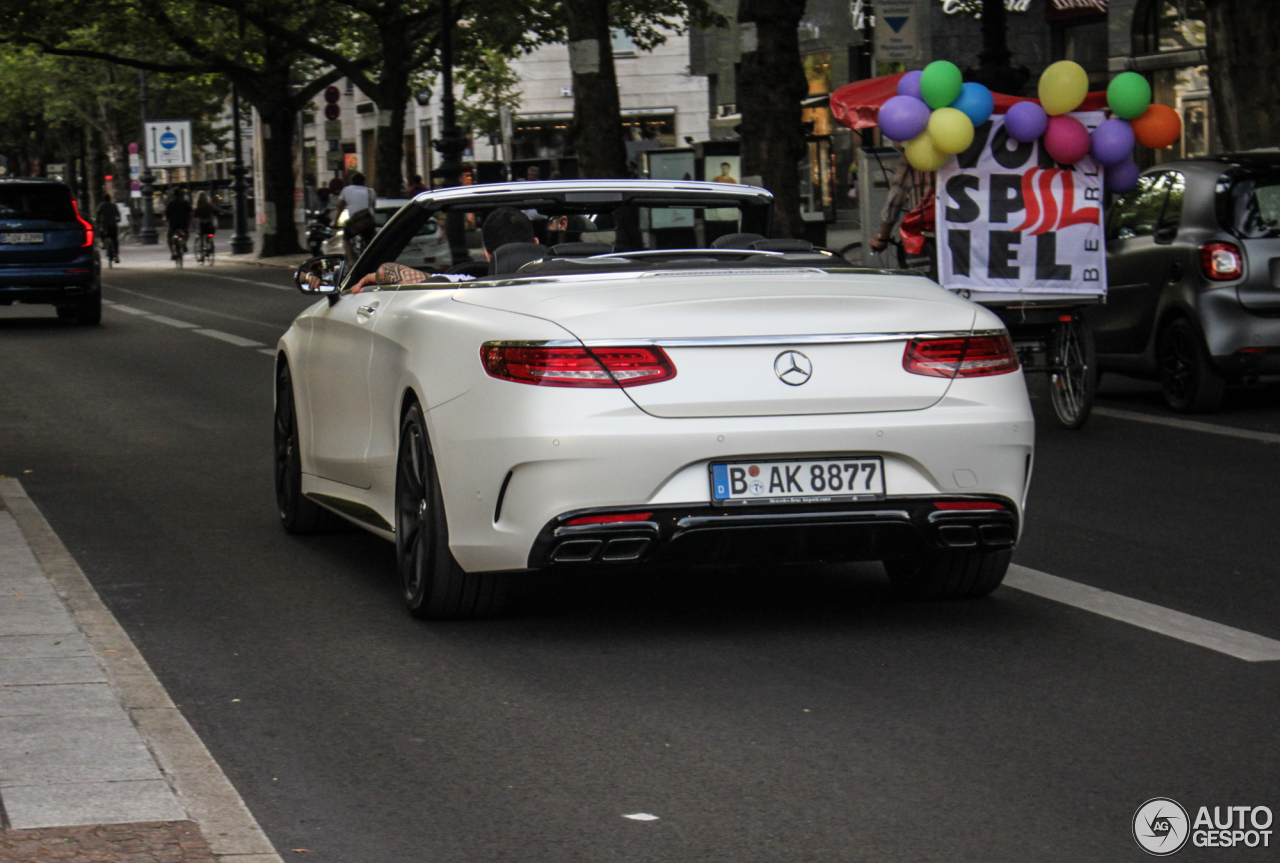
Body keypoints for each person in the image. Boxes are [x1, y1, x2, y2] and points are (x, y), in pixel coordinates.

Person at [347, 207, 537, 292]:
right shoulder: (567, 275)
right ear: (536, 243)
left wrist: (371, 276)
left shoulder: (464, 284)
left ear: (487, 253)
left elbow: (387, 271)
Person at [868, 157, 935, 255]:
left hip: (923, 231)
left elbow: (896, 196)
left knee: (923, 266)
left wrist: (883, 236)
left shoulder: (913, 154)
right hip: (959, 227)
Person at [333, 172, 377, 263]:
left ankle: (350, 260)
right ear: (364, 182)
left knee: (346, 238)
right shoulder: (371, 191)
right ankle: (370, 259)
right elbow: (373, 206)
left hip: (355, 221)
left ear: (351, 181)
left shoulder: (346, 190)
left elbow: (340, 207)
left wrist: (335, 221)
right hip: (368, 221)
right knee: (370, 241)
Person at [164, 188, 193, 258]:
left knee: (169, 236)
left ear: (174, 194)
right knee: (187, 233)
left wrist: (167, 220)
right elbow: (190, 212)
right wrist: (189, 221)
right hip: (184, 223)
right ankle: (184, 243)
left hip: (173, 224)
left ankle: (173, 253)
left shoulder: (171, 203)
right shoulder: (185, 202)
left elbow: (167, 214)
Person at [95, 193, 121, 263]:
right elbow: (118, 214)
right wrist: (118, 219)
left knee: (102, 232)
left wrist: (98, 221)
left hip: (105, 225)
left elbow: (98, 213)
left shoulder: (101, 205)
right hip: (113, 225)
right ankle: (116, 255)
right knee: (115, 240)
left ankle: (103, 242)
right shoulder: (113, 206)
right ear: (110, 199)